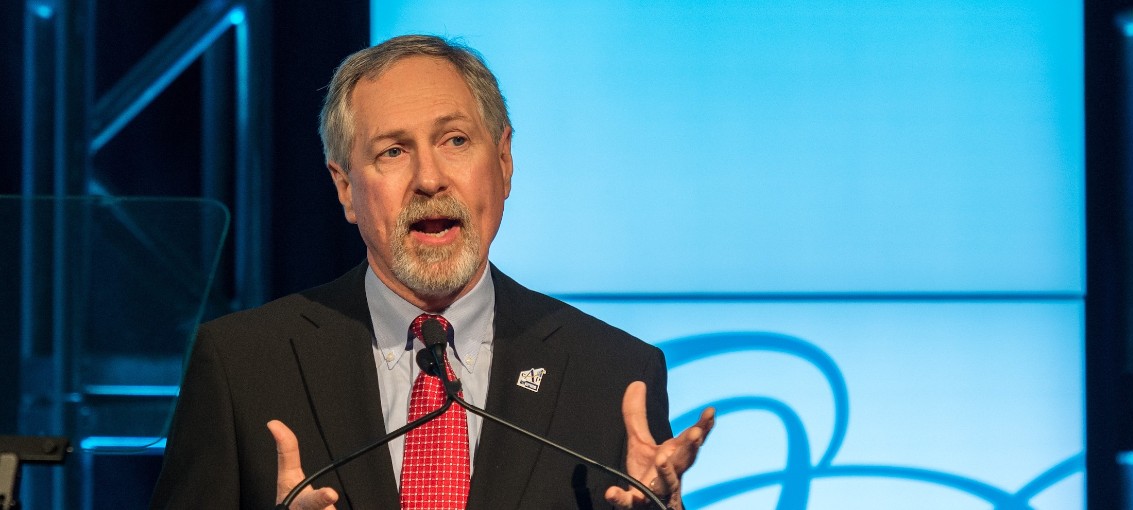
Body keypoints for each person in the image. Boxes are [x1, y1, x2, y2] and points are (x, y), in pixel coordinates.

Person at [150, 34, 714, 509]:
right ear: (345, 187)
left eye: (455, 140)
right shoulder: (242, 365)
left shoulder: (613, 372)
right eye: (392, 151)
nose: (429, 179)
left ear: (504, 160)